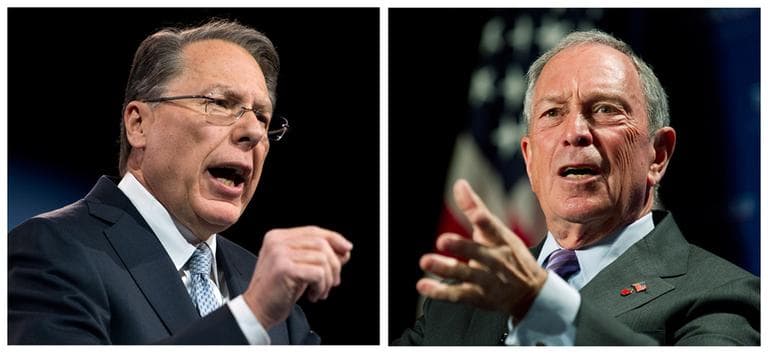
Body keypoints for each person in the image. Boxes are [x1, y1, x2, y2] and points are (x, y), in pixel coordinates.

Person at [394, 30, 759, 345]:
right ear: (529, 159)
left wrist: (542, 304)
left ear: (657, 156)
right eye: (553, 113)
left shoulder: (723, 295)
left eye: (604, 109)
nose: (575, 132)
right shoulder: (460, 305)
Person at [8, 19, 353, 345]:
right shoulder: (51, 250)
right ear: (139, 125)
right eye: (219, 103)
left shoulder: (265, 288)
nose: (253, 132)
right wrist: (250, 316)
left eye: (262, 117)